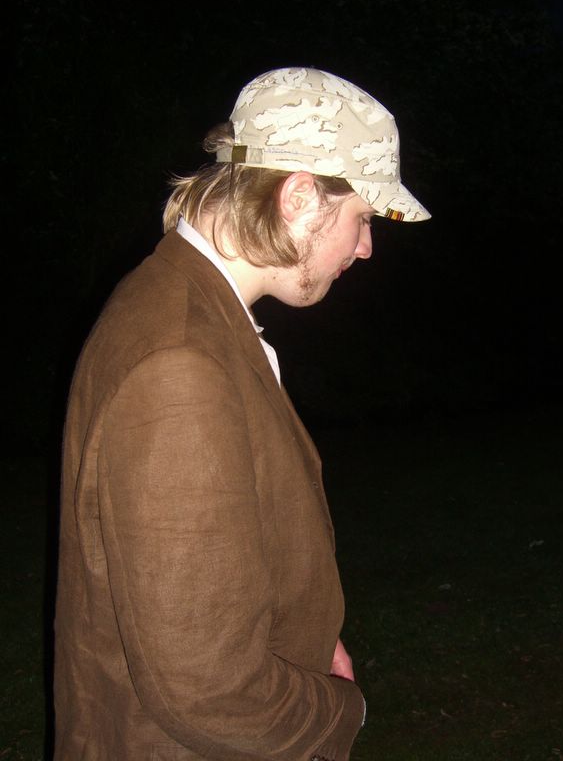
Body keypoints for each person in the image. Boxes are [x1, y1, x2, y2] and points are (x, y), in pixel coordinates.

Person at [54, 66, 430, 761]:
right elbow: (211, 691)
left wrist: (306, 636)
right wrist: (339, 710)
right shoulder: (181, 363)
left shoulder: (185, 305)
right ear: (299, 197)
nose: (365, 247)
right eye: (362, 219)